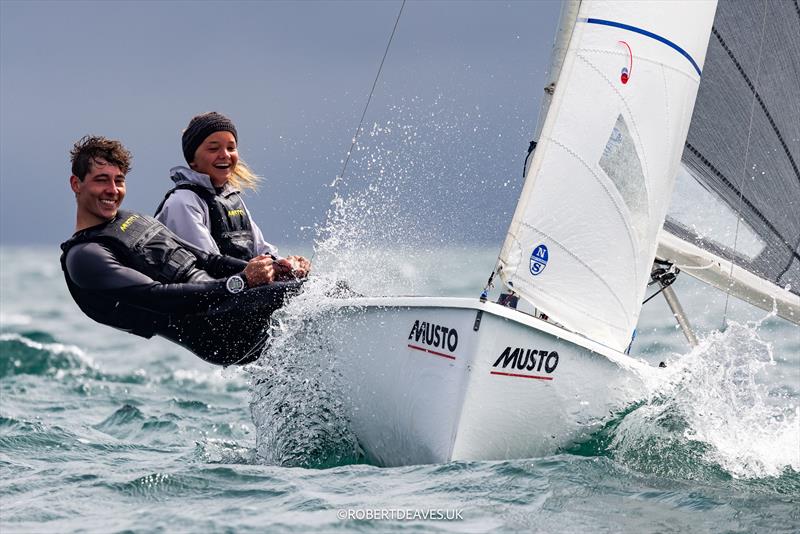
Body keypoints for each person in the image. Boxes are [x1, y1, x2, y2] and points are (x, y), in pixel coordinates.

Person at [60, 135, 305, 366]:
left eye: (119, 180)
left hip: (229, 300)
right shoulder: (85, 256)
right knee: (317, 300)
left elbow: (207, 259)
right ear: (76, 184)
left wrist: (273, 269)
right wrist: (239, 282)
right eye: (101, 180)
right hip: (217, 332)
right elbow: (157, 296)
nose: (113, 190)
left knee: (317, 291)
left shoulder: (131, 219)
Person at [155, 111, 310, 276]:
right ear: (192, 159)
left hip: (242, 288)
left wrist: (286, 265)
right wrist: (263, 271)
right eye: (213, 148)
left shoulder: (233, 199)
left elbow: (260, 249)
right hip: (208, 294)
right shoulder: (182, 203)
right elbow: (207, 262)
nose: (225, 155)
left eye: (231, 148)